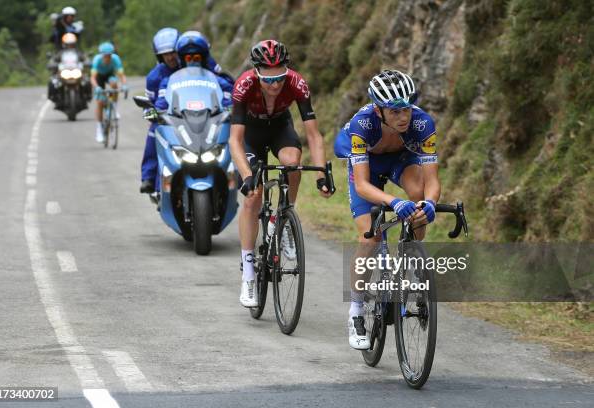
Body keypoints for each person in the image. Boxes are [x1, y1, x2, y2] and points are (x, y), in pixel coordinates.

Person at [333, 69, 440, 349]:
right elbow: (363, 186)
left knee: (418, 193)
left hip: (399, 159)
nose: (402, 117)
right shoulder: (362, 125)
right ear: (379, 110)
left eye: (406, 108)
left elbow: (432, 182)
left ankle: (413, 255)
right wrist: (394, 202)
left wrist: (428, 204)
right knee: (370, 238)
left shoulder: (422, 123)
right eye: (394, 112)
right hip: (366, 163)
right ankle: (356, 311)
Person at [228, 40, 332, 308]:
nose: (275, 85)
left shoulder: (297, 83)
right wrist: (246, 175)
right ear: (257, 73)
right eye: (268, 79)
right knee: (253, 196)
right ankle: (249, 272)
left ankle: (283, 216)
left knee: (292, 162)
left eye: (280, 78)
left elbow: (313, 135)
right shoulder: (243, 85)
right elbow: (235, 141)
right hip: (250, 133)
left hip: (279, 127)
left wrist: (321, 173)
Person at [139, 27, 181, 194]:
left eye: (173, 52)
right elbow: (150, 104)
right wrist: (151, 113)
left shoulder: (193, 66)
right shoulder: (154, 77)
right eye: (166, 54)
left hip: (194, 117)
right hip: (167, 121)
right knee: (153, 133)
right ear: (159, 56)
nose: (170, 56)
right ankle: (149, 178)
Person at [154, 31, 233, 112]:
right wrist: (157, 111)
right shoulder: (167, 82)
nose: (192, 61)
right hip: (178, 121)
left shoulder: (217, 80)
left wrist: (228, 107)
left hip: (212, 119)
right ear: (181, 59)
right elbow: (161, 103)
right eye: (188, 58)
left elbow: (229, 96)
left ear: (204, 58)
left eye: (197, 57)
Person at [90, 42, 128, 143]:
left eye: (109, 56)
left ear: (112, 54)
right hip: (99, 78)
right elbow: (92, 78)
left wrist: (124, 85)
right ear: (101, 55)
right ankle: (99, 129)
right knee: (99, 102)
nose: (107, 58)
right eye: (105, 56)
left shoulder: (115, 59)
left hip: (110, 75)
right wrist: (97, 87)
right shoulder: (97, 60)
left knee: (114, 84)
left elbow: (121, 75)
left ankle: (114, 106)